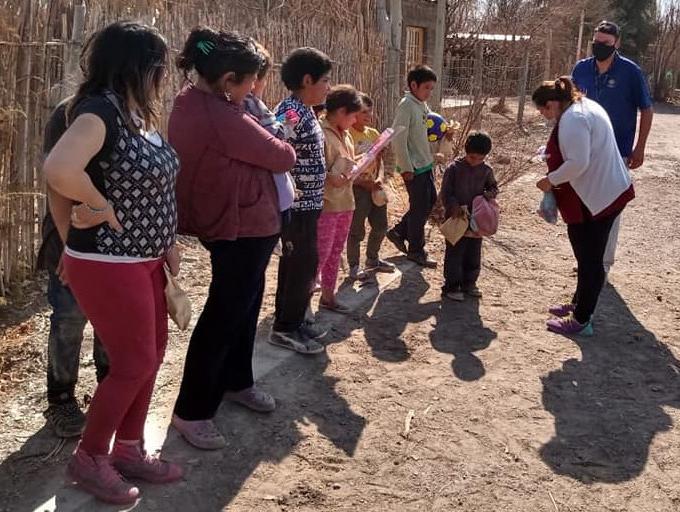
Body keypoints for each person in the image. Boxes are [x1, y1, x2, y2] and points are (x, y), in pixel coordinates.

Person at [43, 21, 183, 505]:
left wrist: (166, 242)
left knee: (151, 357)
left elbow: (152, 185)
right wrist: (95, 209)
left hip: (143, 259)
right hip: (108, 260)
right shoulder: (99, 111)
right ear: (140, 66)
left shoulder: (136, 113)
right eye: (160, 66)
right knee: (133, 362)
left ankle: (127, 448)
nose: (164, 76)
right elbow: (58, 172)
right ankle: (88, 458)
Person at [168, 28, 296, 451]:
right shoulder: (222, 115)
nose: (254, 90)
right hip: (238, 227)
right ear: (228, 81)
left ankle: (237, 381)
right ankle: (192, 411)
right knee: (224, 315)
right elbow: (283, 154)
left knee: (243, 307)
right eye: (249, 82)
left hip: (242, 224)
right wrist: (273, 132)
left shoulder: (192, 100)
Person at [533, 77, 635, 336]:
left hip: (600, 198)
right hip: (602, 191)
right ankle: (579, 301)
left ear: (554, 103)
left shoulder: (574, 119)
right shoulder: (582, 106)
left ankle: (581, 319)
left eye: (544, 110)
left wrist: (549, 181)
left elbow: (578, 162)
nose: (544, 116)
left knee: (590, 260)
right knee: (584, 254)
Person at [37, 98, 109, 439]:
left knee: (111, 319)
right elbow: (56, 181)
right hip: (69, 235)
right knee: (69, 318)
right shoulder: (68, 113)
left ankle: (109, 390)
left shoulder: (133, 112)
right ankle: (61, 398)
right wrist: (69, 246)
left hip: (113, 240)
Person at [572, 20, 653, 275]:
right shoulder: (581, 69)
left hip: (617, 152)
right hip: (584, 151)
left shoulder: (630, 72)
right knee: (583, 205)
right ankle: (586, 261)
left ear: (616, 43)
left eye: (606, 43)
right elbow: (570, 106)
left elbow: (646, 109)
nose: (600, 47)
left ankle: (603, 264)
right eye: (596, 42)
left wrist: (640, 147)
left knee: (610, 207)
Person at [269, 47, 333, 354]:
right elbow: (276, 153)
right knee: (299, 265)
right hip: (295, 206)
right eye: (324, 81)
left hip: (309, 205)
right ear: (307, 80)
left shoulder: (306, 111)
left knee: (303, 265)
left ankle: (293, 320)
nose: (328, 87)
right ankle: (285, 327)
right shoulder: (290, 113)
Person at [315, 84, 362, 313]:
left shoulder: (346, 136)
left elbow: (346, 164)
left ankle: (328, 296)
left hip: (346, 201)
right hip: (327, 204)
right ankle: (301, 306)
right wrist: (331, 177)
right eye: (353, 115)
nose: (355, 121)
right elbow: (314, 170)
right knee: (320, 254)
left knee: (335, 251)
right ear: (342, 111)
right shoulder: (320, 133)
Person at [386, 65, 438, 268]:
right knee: (419, 208)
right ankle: (416, 250)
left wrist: (444, 132)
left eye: (432, 88)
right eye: (426, 87)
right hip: (414, 166)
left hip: (425, 163)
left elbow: (430, 125)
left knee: (429, 202)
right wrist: (406, 167)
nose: (429, 92)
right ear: (413, 85)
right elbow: (398, 138)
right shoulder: (406, 105)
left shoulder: (421, 104)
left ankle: (399, 231)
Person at [440, 131, 498, 302]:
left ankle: (469, 283)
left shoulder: (487, 170)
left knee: (474, 252)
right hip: (456, 219)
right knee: (455, 253)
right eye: (472, 157)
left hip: (476, 220)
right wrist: (453, 206)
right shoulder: (454, 169)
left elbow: (493, 188)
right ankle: (452, 285)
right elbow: (446, 192)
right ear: (466, 152)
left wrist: (489, 194)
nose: (476, 162)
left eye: (480, 159)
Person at [347, 93, 396, 280]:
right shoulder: (348, 135)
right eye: (363, 112)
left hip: (375, 188)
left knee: (381, 226)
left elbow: (379, 161)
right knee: (356, 230)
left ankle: (373, 259)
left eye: (370, 112)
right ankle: (353, 266)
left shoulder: (374, 133)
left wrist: (380, 179)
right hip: (357, 189)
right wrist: (361, 182)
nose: (368, 116)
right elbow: (347, 167)